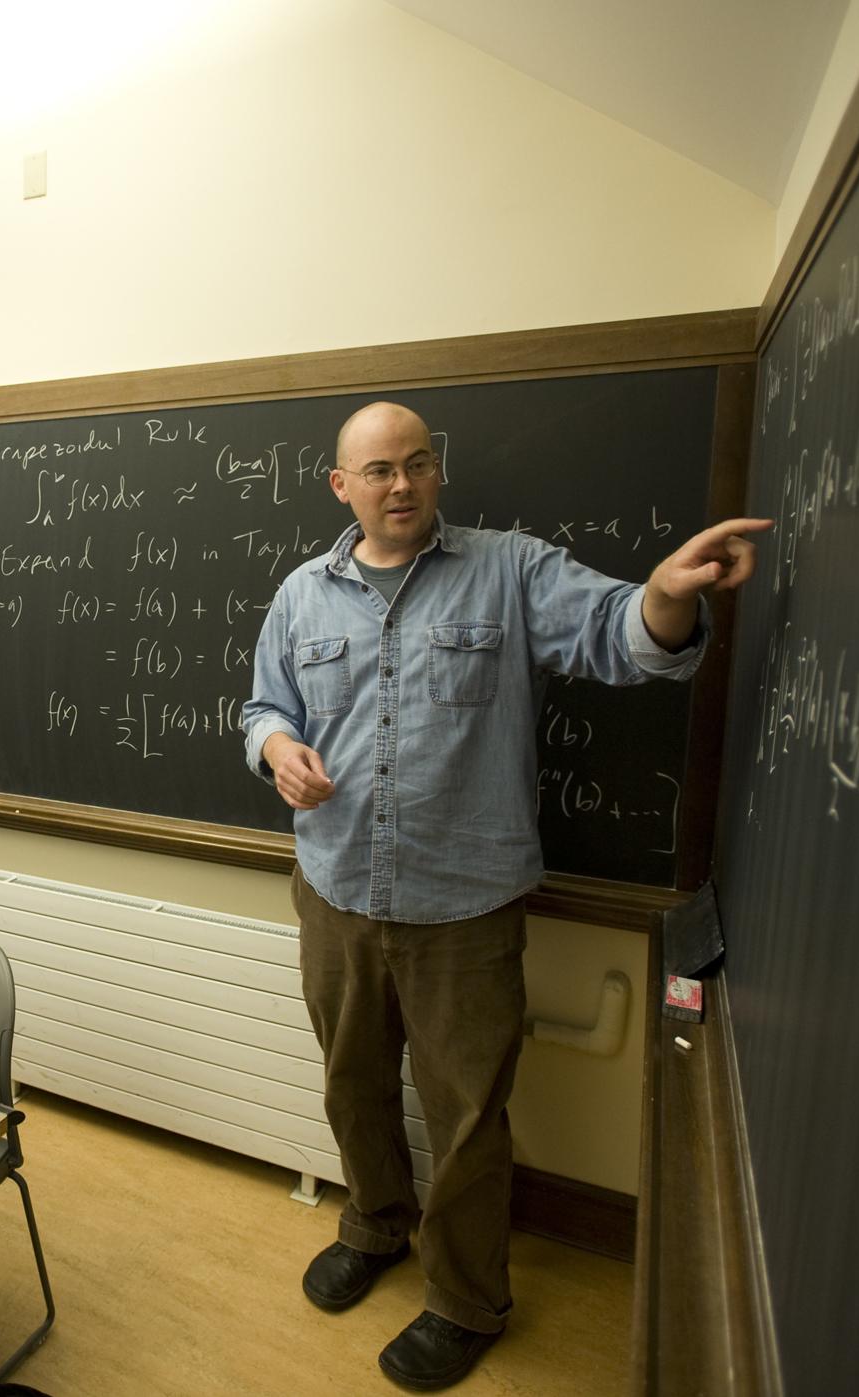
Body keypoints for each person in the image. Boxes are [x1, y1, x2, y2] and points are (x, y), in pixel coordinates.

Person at [241, 400, 770, 1392]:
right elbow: (264, 701)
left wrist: (662, 590)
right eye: (380, 469)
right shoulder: (302, 596)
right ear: (341, 486)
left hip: (466, 908)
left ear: (439, 471)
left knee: (469, 1113)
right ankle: (374, 1223)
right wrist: (275, 745)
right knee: (352, 1083)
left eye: (420, 464)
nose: (402, 484)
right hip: (336, 890)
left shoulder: (511, 569)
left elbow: (627, 636)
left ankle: (467, 1298)